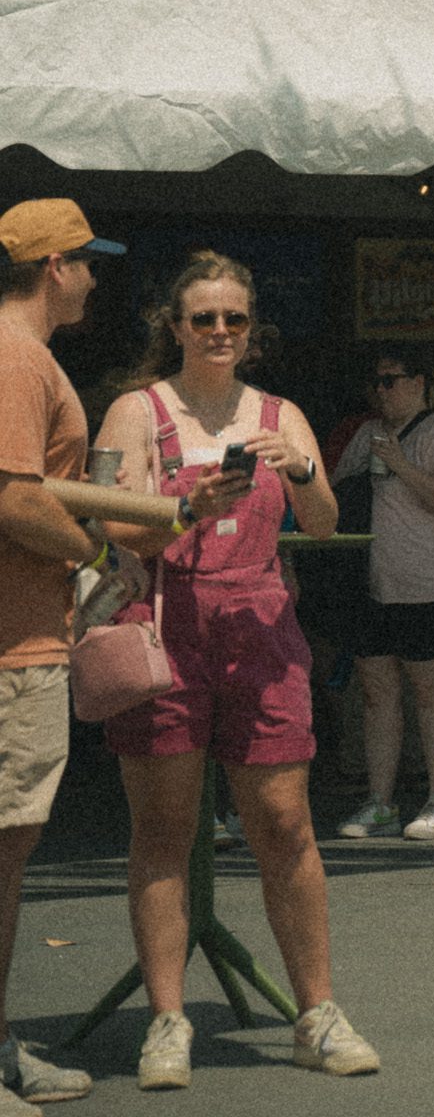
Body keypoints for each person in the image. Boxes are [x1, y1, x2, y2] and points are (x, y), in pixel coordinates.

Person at [94, 251, 378, 1087]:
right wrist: (187, 510)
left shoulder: (280, 415)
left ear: (253, 330)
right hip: (166, 619)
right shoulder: (137, 413)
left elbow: (323, 526)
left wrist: (299, 471)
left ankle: (316, 1014)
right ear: (173, 326)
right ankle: (168, 1019)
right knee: (163, 833)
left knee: (285, 824)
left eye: (234, 320)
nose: (219, 332)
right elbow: (116, 533)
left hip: (258, 623)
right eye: (203, 319)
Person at [0, 199, 130, 1112]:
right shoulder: (15, 356)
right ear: (55, 266)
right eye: (88, 262)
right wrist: (93, 557)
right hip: (12, 646)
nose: (95, 277)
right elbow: (10, 500)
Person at [332, 349, 434, 838]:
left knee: (431, 687)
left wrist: (401, 464)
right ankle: (380, 800)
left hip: (428, 579)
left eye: (392, 380)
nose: (383, 391)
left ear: (419, 382)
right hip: (373, 580)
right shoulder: (362, 434)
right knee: (376, 692)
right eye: (376, 382)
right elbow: (337, 491)